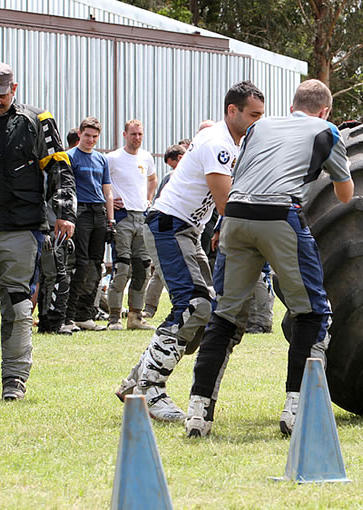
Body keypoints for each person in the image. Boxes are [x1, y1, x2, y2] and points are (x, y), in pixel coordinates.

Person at [185, 79, 354, 438]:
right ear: (326, 110)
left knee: (225, 315)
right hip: (280, 216)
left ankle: (198, 411)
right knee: (312, 312)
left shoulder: (258, 126)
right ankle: (297, 408)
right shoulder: (327, 130)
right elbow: (345, 194)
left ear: (292, 105)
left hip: (235, 215)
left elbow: (242, 175)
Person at [115, 81, 265, 421]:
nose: (258, 121)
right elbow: (228, 203)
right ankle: (150, 390)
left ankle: (135, 382)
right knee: (193, 306)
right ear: (232, 111)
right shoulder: (218, 144)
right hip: (170, 226)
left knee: (206, 310)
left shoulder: (228, 141)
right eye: (253, 115)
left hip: (187, 230)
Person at [0, 61, 76, 400]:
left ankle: (14, 380)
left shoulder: (37, 121)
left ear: (14, 90)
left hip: (22, 227)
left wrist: (65, 212)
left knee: (17, 304)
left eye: (2, 95)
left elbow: (60, 167)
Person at [106, 119, 157, 330]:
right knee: (122, 268)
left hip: (141, 217)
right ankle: (114, 317)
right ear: (124, 134)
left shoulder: (146, 157)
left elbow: (153, 179)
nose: (137, 138)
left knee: (143, 268)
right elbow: (103, 183)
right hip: (122, 217)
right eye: (133, 134)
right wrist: (109, 201)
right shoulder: (112, 158)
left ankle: (136, 316)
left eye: (140, 134)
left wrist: (149, 199)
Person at [64, 117, 114, 332]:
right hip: (79, 212)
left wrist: (111, 220)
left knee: (96, 264)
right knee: (80, 263)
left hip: (99, 212)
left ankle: (86, 315)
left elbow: (108, 191)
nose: (91, 140)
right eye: (87, 136)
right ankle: (69, 315)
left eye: (95, 137)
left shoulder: (102, 160)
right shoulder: (69, 157)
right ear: (80, 134)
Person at [143, 143, 187, 319]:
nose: (173, 169)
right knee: (161, 271)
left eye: (174, 164)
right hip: (167, 227)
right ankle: (151, 307)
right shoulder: (171, 177)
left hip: (185, 228)